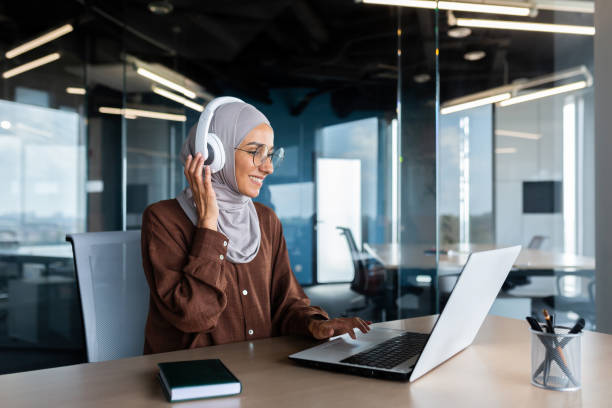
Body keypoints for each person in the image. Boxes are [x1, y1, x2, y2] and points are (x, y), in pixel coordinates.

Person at [141, 99, 371, 354]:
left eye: (271, 154)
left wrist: (314, 324)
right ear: (211, 155)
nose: (269, 167)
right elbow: (195, 317)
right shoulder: (163, 219)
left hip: (259, 371)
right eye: (255, 152)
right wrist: (208, 225)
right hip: (194, 376)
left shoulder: (265, 220)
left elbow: (287, 304)